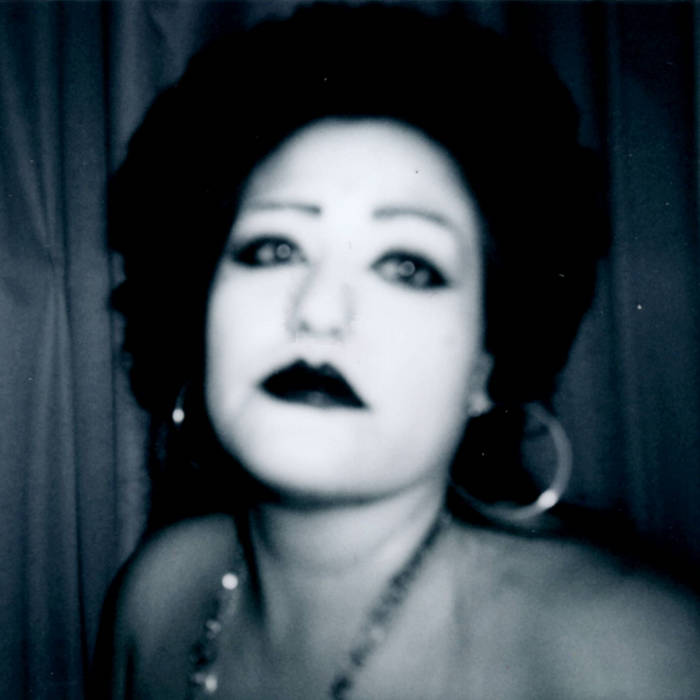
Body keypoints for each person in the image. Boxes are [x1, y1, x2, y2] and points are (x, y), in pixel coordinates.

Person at [92, 4, 700, 699]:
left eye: (407, 267)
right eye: (274, 249)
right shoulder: (155, 599)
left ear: (487, 365)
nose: (319, 310)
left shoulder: (636, 660)